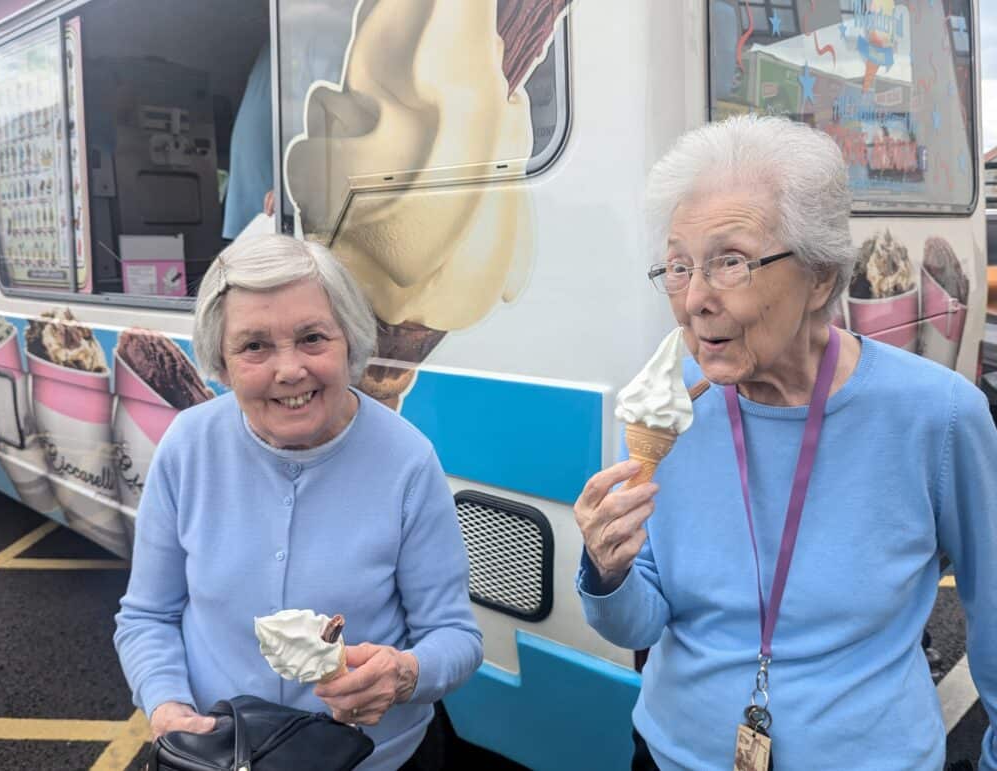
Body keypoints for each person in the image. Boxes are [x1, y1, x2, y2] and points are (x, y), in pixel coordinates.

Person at [574, 115, 997, 771]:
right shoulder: (666, 405)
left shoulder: (938, 417)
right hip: (673, 753)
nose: (694, 300)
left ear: (821, 277)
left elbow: (993, 607)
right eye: (679, 266)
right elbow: (639, 625)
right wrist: (608, 571)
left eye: (731, 262)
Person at [114, 233, 483, 770]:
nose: (289, 370)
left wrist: (405, 674)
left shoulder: (406, 460)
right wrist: (167, 707)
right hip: (221, 754)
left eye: (312, 338)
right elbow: (148, 614)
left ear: (350, 344)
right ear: (221, 360)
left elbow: (454, 636)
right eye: (254, 346)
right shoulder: (187, 446)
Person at [222, 43, 274, 239]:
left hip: (255, 210)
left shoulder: (269, 52)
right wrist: (292, 188)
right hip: (267, 210)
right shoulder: (293, 42)